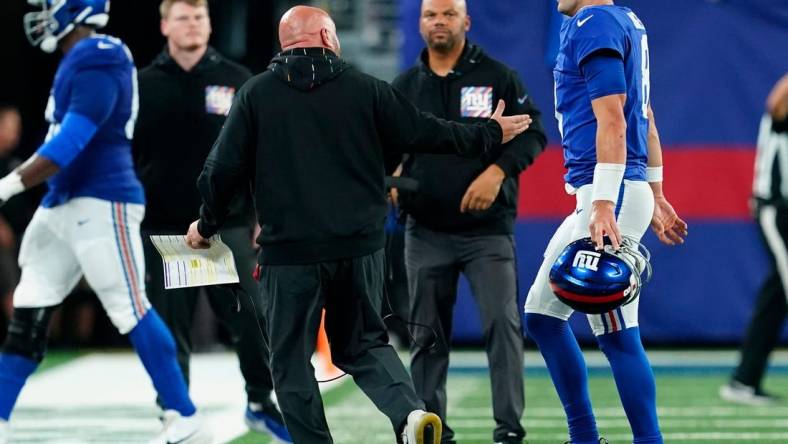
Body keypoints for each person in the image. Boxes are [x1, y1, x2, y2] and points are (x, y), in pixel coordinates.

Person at [184, 5, 532, 443]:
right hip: (359, 247)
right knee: (365, 344)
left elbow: (220, 171)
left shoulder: (256, 94)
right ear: (330, 39)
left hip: (289, 253)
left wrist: (207, 223)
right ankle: (409, 416)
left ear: (284, 43)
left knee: (290, 360)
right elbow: (432, 133)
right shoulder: (367, 89)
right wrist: (490, 133)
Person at [0, 1, 210, 443]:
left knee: (130, 306)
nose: (41, 12)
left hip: (103, 200)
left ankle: (184, 412)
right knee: (28, 314)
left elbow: (76, 137)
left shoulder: (102, 53)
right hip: (63, 202)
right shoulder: (78, 58)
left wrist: (8, 185)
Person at [522, 1, 687, 443]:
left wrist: (603, 203)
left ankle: (637, 440)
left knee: (615, 333)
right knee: (541, 315)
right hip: (613, 190)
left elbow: (614, 118)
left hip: (606, 193)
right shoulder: (627, 21)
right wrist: (655, 193)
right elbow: (644, 117)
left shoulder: (593, 22)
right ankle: (585, 437)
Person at [132, 0, 291, 440]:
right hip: (165, 230)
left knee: (254, 320)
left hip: (227, 226)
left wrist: (264, 214)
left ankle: (260, 401)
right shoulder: (139, 85)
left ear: (209, 23)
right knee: (169, 332)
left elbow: (262, 156)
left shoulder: (237, 80)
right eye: (182, 17)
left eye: (199, 17)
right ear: (164, 24)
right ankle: (175, 412)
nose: (192, 25)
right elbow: (123, 157)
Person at [390, 1, 547, 443]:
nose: (439, 21)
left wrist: (497, 172)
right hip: (425, 232)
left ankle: (509, 432)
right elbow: (382, 149)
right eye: (430, 15)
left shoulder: (497, 77)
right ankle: (431, 431)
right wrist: (392, 177)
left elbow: (534, 133)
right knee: (426, 336)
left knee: (503, 326)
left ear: (466, 21)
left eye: (448, 13)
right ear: (420, 24)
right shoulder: (404, 87)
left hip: (487, 233)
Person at [721, 73, 788, 406]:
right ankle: (743, 380)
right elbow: (775, 103)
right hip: (777, 210)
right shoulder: (781, 113)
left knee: (775, 295)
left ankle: (744, 380)